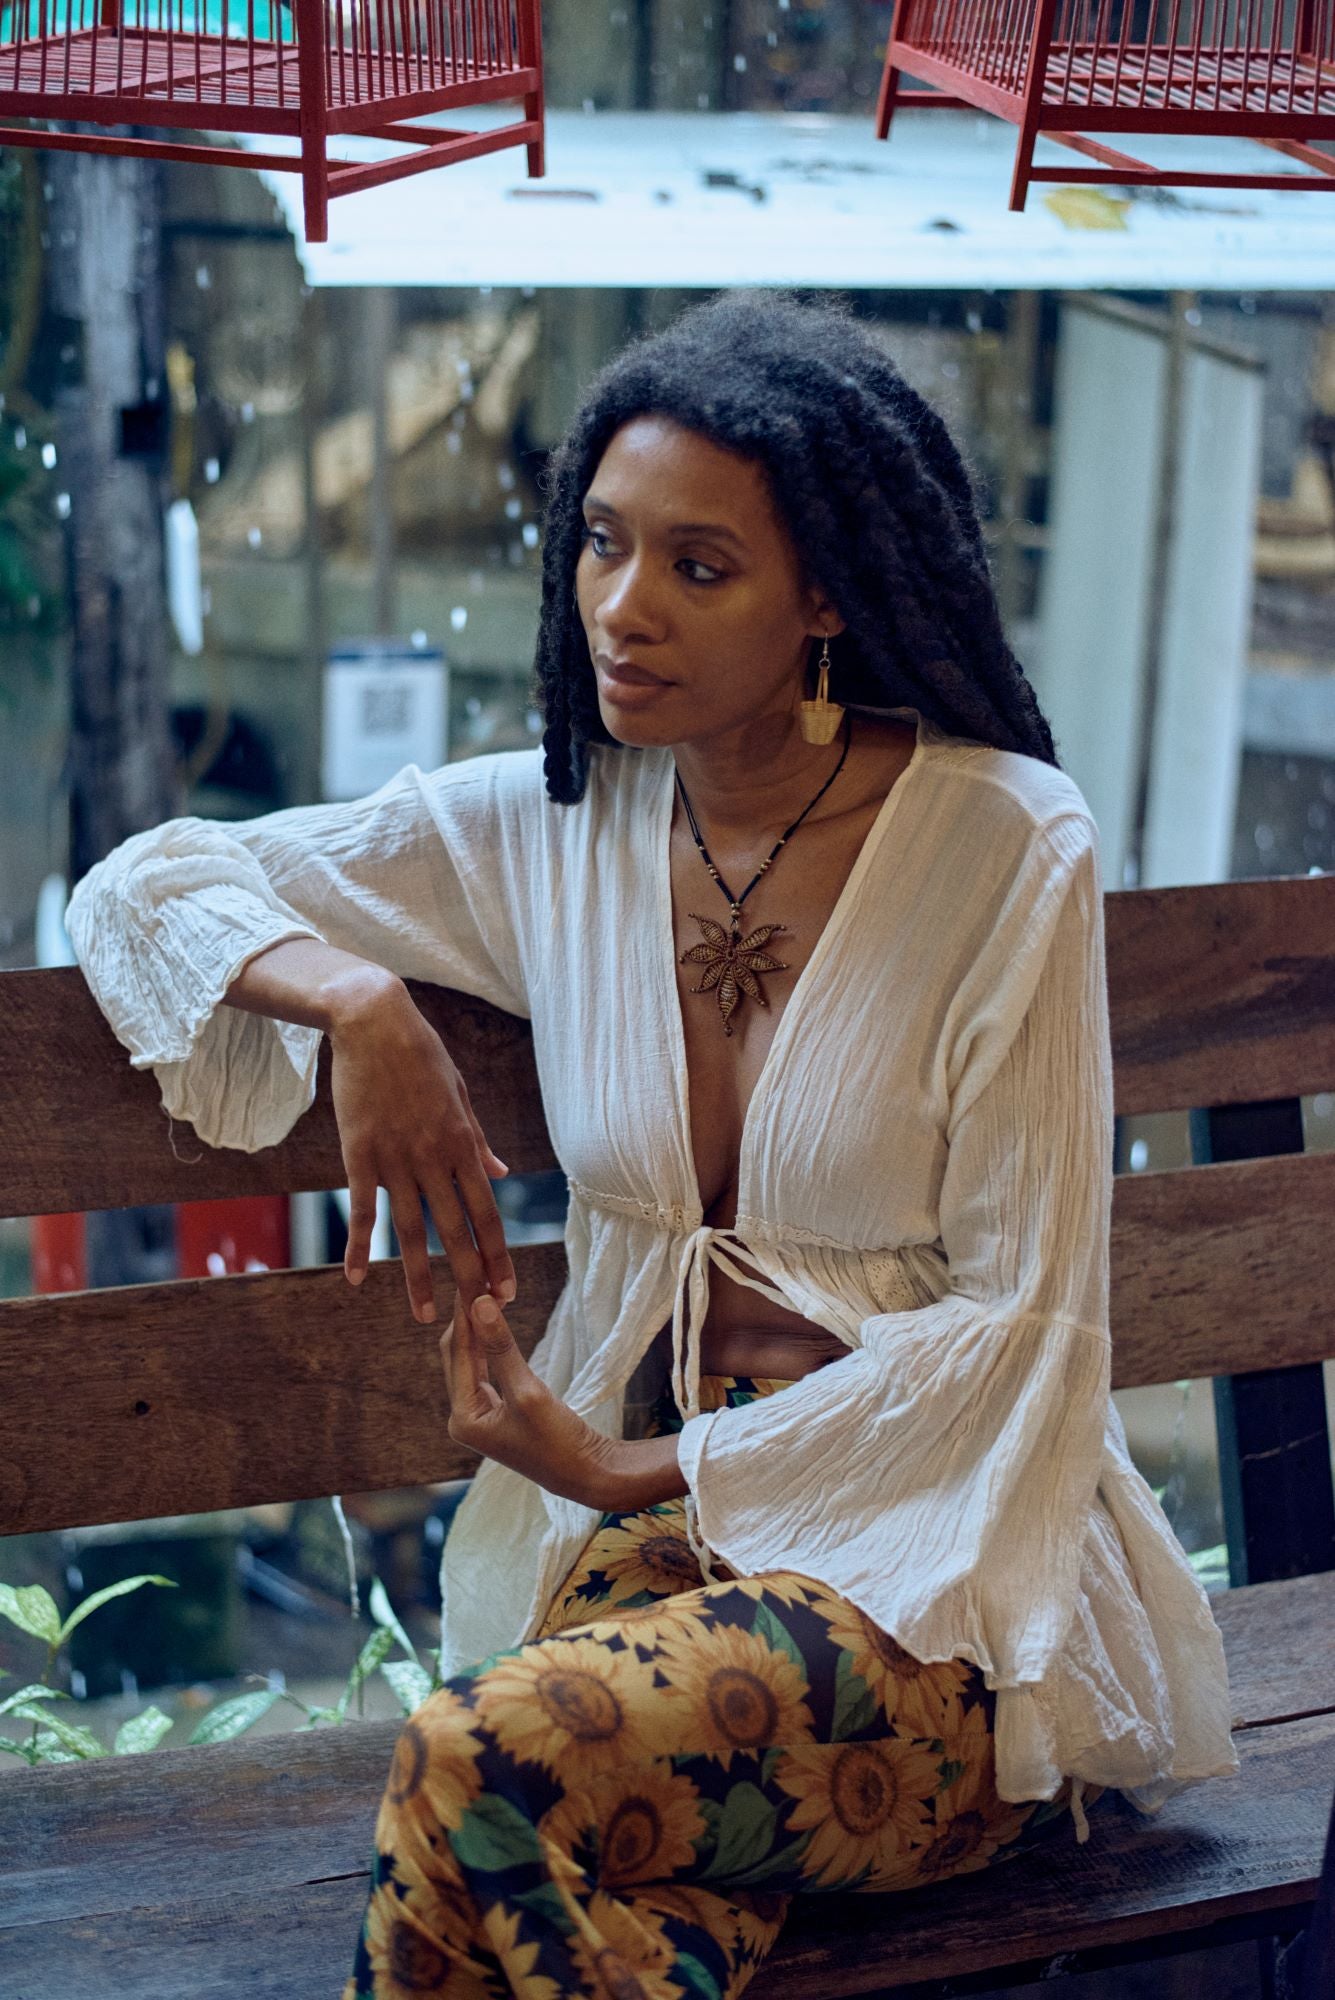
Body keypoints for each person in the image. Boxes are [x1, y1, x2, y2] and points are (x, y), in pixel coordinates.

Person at [66, 290, 1239, 2000]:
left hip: (939, 1586)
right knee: (572, 1901)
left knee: (470, 1769)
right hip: (654, 1591)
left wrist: (635, 1467)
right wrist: (361, 1006)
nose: (622, 607)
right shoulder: (553, 821)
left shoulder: (1005, 844)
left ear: (828, 591)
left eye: (700, 567)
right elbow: (146, 881)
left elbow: (1029, 1331)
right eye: (602, 544)